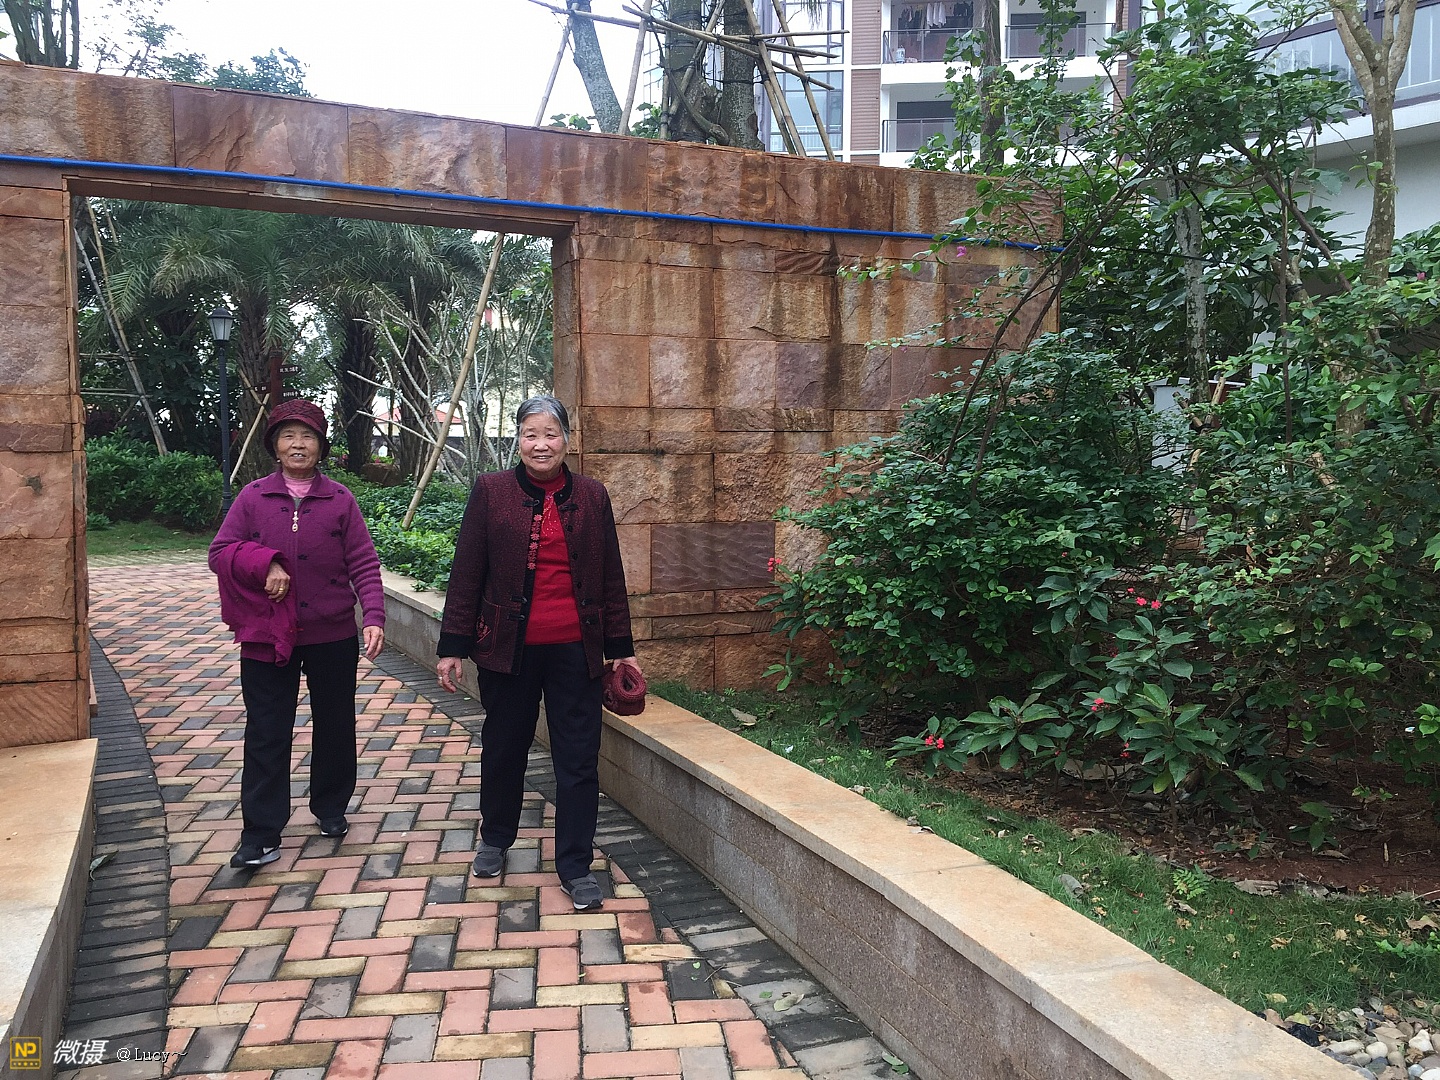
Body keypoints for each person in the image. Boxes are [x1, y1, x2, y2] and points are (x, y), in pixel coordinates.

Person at [436, 394, 641, 911]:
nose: (540, 444)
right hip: (509, 652)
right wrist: (453, 646)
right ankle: (495, 838)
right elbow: (467, 571)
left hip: (576, 651)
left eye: (550, 434)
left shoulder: (592, 495)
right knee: (504, 748)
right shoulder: (491, 491)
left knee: (578, 760)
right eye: (530, 434)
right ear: (518, 440)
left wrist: (622, 650)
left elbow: (611, 575)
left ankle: (575, 864)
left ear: (566, 440)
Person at [210, 398, 386, 869]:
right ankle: (261, 834)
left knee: (335, 724)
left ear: (321, 446)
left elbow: (363, 562)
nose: (298, 444)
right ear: (275, 445)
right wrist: (264, 562)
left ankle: (330, 807)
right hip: (267, 635)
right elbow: (220, 552)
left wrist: (373, 615)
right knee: (267, 731)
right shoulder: (252, 498)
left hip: (332, 633)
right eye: (288, 436)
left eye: (307, 436)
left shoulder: (340, 499)